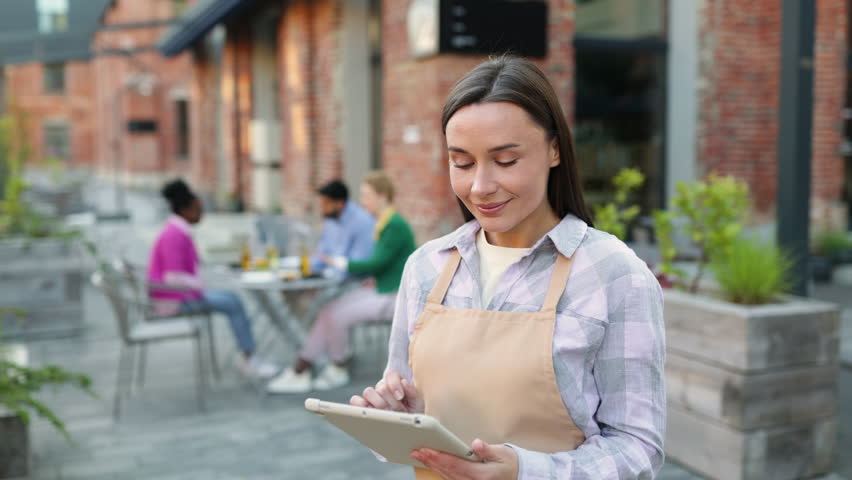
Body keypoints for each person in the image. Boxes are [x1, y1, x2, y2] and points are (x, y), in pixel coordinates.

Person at [350, 57, 666, 479]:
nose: (480, 186)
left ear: (554, 149)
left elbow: (638, 449)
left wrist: (525, 471)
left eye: (505, 160)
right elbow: (414, 417)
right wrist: (399, 416)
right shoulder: (426, 268)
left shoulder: (613, 275)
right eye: (462, 163)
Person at [267, 171, 417, 393]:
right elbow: (387, 264)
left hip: (396, 296)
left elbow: (376, 262)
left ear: (383, 196)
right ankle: (303, 367)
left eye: (367, 195)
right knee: (328, 311)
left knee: (336, 314)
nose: (363, 201)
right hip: (382, 288)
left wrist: (337, 262)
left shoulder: (393, 224)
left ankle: (336, 365)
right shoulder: (384, 222)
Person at [147, 179, 278, 379]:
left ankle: (247, 353)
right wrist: (200, 285)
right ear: (185, 210)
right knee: (233, 303)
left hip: (179, 295)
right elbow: (172, 277)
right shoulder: (174, 235)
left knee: (231, 299)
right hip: (172, 301)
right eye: (198, 209)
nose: (202, 214)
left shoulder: (178, 231)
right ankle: (249, 357)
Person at [311, 180, 376, 276]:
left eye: (325, 203)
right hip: (331, 281)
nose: (321, 208)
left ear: (340, 203)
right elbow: (321, 255)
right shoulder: (330, 221)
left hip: (356, 285)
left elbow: (358, 266)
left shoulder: (363, 222)